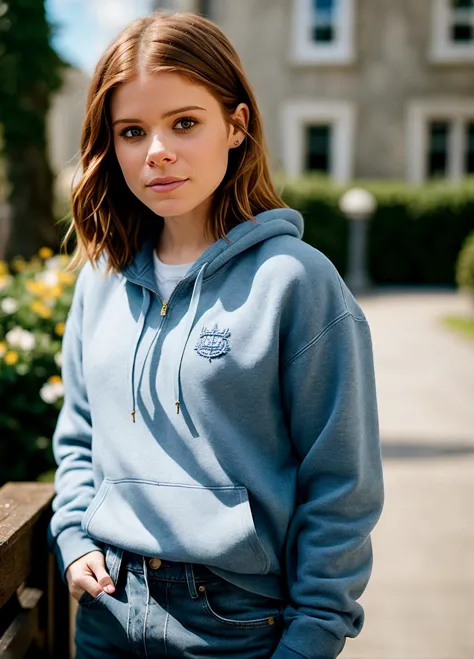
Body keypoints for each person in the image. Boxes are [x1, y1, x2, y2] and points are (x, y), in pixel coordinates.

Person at [47, 10, 384, 659]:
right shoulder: (101, 279)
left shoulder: (296, 282)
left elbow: (342, 483)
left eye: (184, 122)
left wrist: (314, 632)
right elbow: (79, 432)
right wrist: (75, 538)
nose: (157, 151)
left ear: (236, 124)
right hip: (106, 610)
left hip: (236, 623)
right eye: (132, 131)